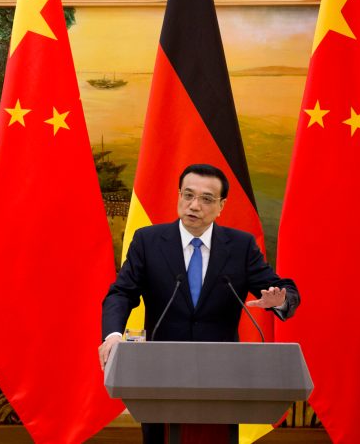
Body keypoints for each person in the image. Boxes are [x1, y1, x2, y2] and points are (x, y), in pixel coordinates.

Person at [99, 164, 300, 444]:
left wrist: (280, 300)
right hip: (159, 373)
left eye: (206, 199)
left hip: (221, 378)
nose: (194, 205)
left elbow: (285, 291)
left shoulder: (240, 246)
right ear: (179, 195)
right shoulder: (148, 241)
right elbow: (122, 293)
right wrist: (112, 335)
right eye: (188, 195)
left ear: (221, 206)